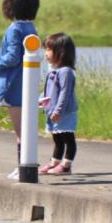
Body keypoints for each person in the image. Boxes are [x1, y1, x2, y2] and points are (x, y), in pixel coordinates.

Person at [0, 0, 39, 178]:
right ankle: (24, 165)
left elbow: (11, 57)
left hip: (13, 85)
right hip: (26, 83)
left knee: (21, 132)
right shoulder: (31, 28)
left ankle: (23, 167)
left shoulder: (14, 29)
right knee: (26, 129)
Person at [37, 32, 78, 175]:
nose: (46, 53)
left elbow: (65, 94)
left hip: (63, 113)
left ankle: (66, 165)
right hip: (52, 111)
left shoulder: (66, 72)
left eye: (48, 50)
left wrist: (58, 111)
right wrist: (40, 100)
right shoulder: (55, 71)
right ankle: (54, 162)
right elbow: (49, 91)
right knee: (57, 139)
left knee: (67, 138)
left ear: (60, 52)